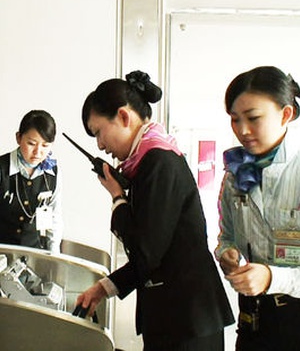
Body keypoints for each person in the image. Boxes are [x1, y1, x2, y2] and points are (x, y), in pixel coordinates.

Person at [76, 70, 234, 351]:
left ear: (124, 117)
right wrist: (105, 287)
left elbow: (146, 252)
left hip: (186, 320)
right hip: (176, 317)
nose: (100, 145)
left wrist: (117, 198)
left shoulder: (158, 161)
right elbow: (153, 250)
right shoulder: (147, 162)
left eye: (99, 132)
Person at [215, 66, 300, 351]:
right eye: (235, 120)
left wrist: (272, 277)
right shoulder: (235, 175)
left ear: (285, 114)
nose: (242, 130)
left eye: (253, 118)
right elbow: (226, 235)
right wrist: (227, 252)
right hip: (254, 320)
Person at [0, 110, 63, 253]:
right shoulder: (2, 168)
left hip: (34, 254)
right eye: (31, 143)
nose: (38, 152)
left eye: (45, 146)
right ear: (18, 138)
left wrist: (54, 255)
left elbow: (55, 217)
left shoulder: (53, 173)